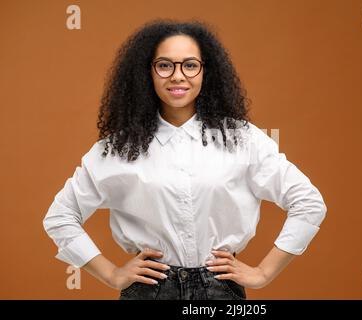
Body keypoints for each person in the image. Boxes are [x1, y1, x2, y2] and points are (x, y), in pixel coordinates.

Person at [42, 19, 327, 300]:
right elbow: (60, 217)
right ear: (148, 73)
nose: (178, 76)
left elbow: (308, 203)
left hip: (220, 291)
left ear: (206, 72)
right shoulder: (118, 148)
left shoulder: (243, 139)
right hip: (149, 291)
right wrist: (111, 274)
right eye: (165, 65)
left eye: (190, 65)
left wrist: (264, 273)